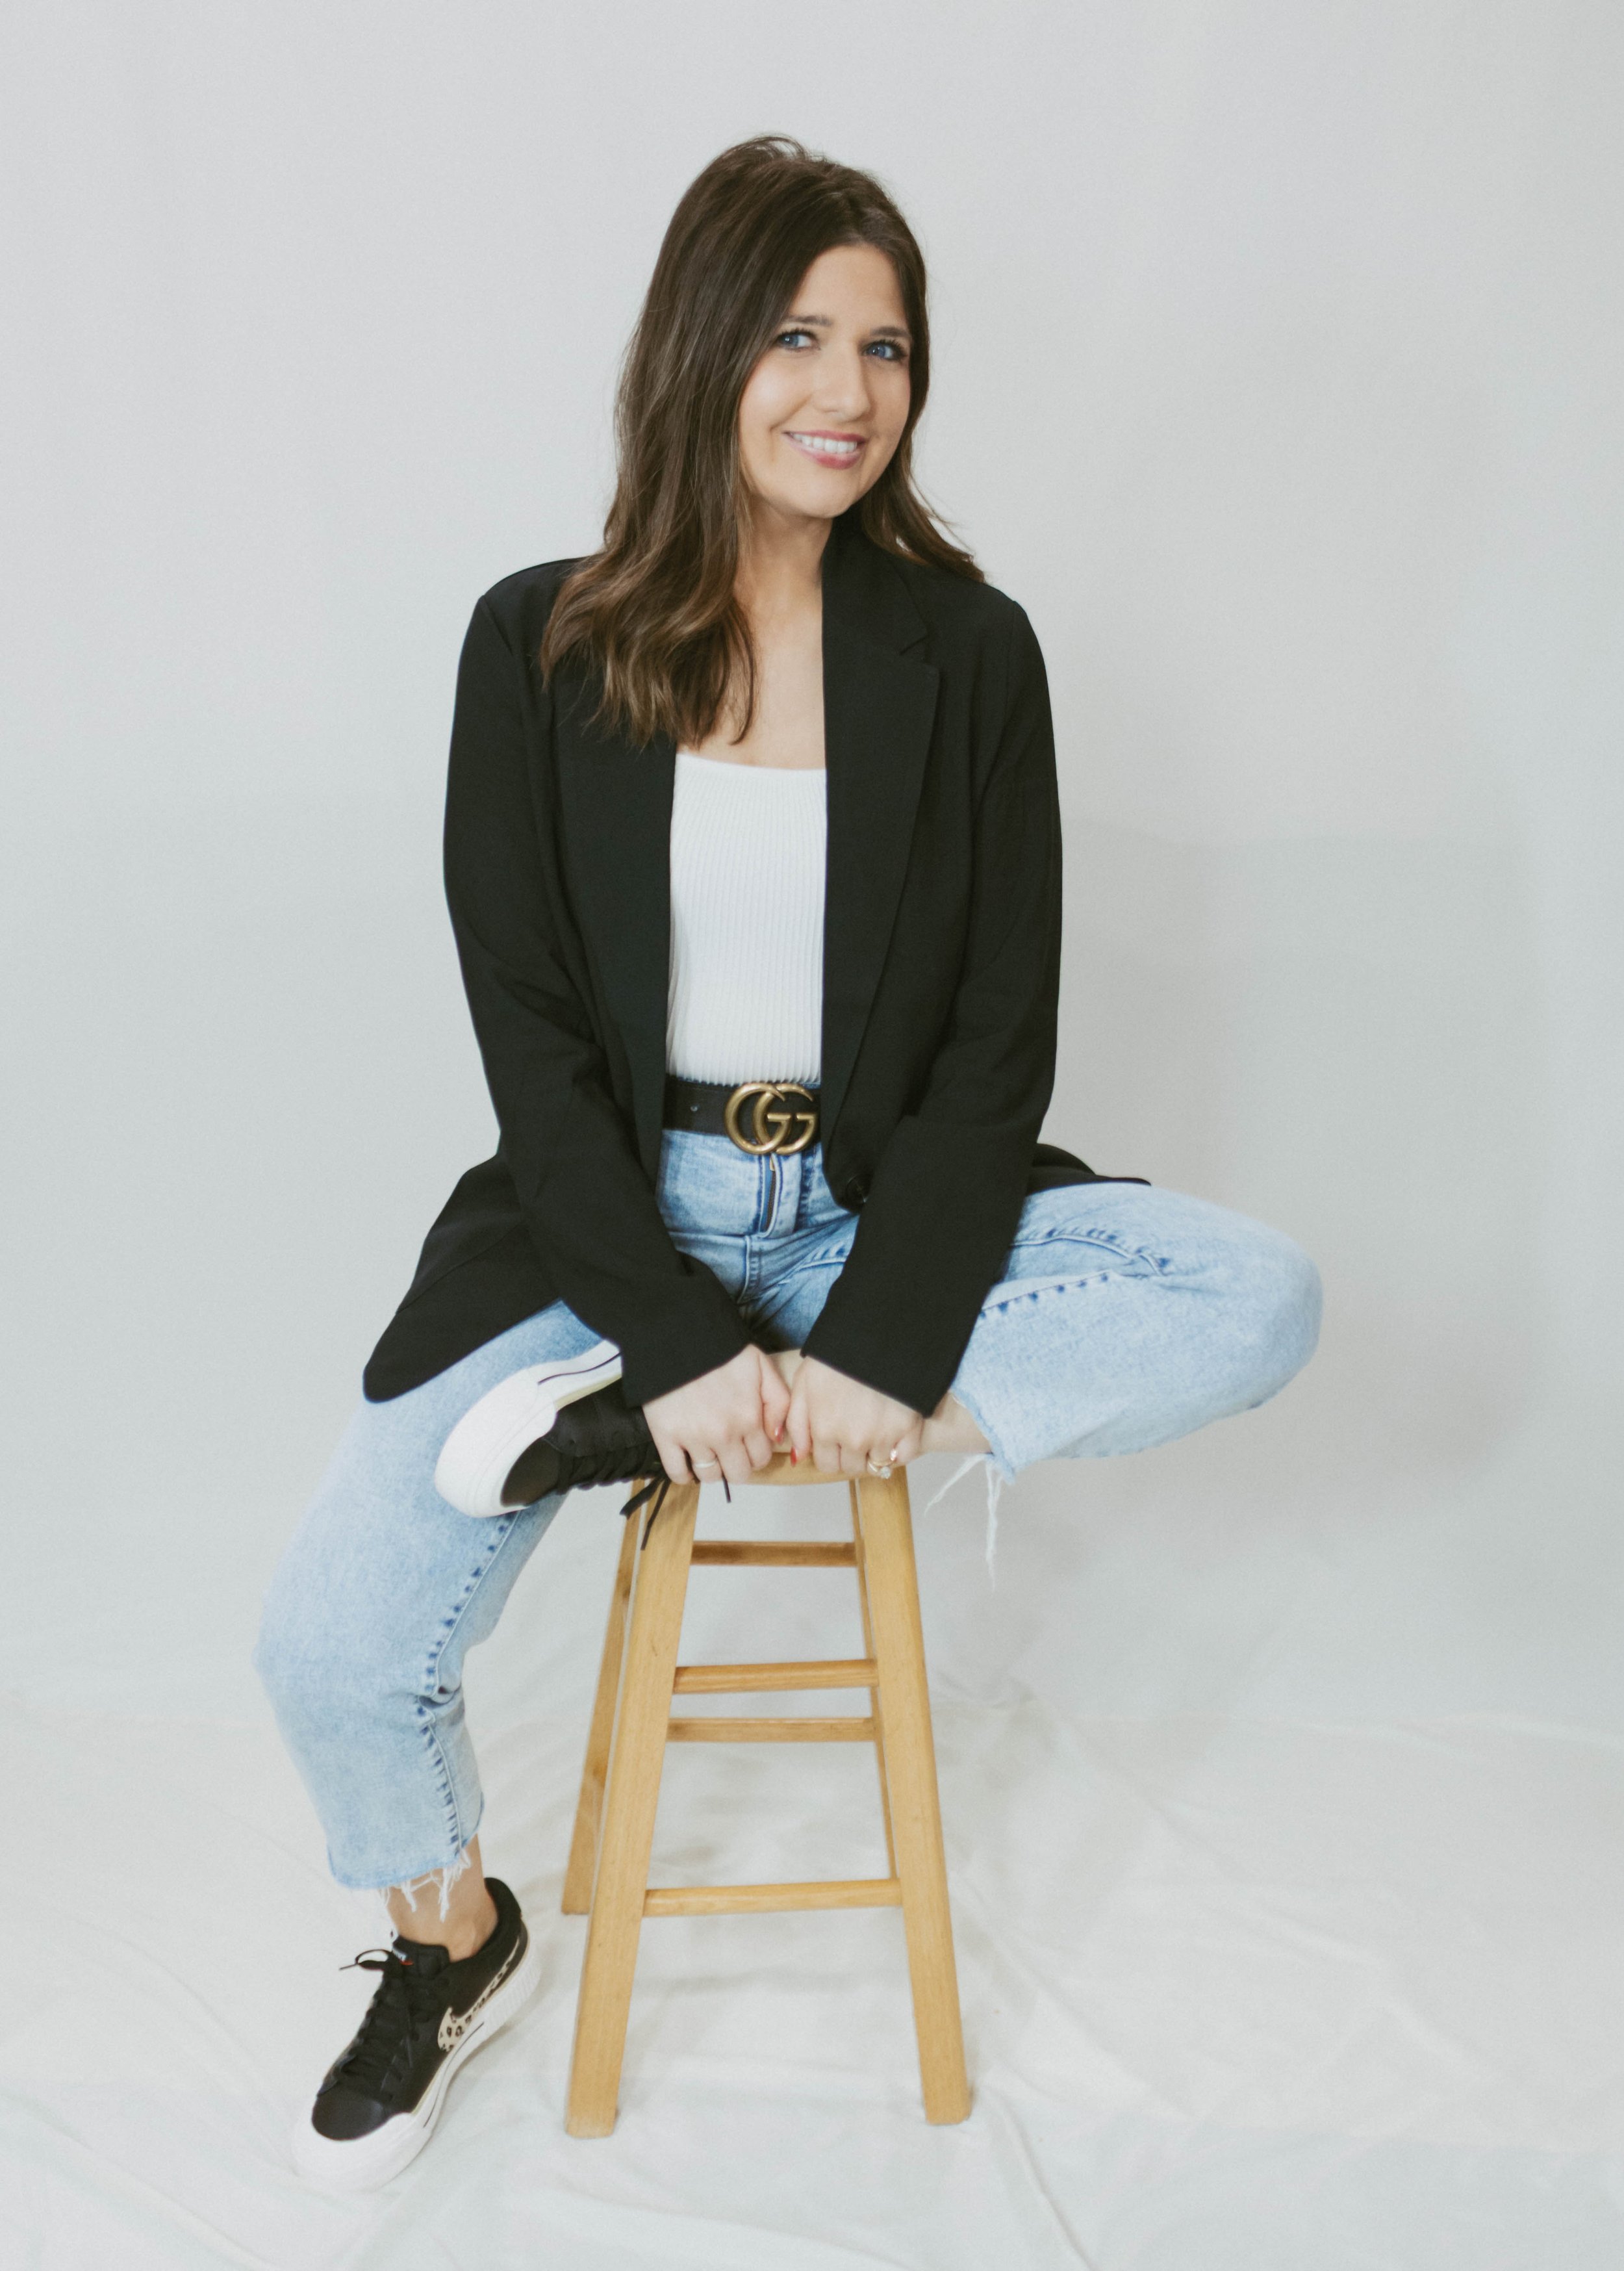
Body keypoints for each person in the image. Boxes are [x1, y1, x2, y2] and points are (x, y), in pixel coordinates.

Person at [256, 135, 1321, 2190]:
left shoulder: (966, 651)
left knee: (1255, 1291)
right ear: (699, 353)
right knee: (324, 1647)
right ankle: (448, 1940)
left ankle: (751, 1412)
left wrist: (885, 1339)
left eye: (889, 347)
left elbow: (997, 1050)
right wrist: (663, 1328)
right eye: (799, 335)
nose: (849, 389)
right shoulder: (537, 642)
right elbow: (535, 1055)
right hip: (608, 1222)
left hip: (875, 1221)